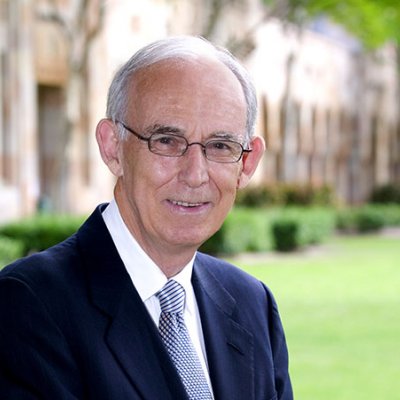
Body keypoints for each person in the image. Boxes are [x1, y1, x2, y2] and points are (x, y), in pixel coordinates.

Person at [0, 36, 293, 400]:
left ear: (247, 163)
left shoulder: (252, 305)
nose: (195, 174)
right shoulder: (26, 306)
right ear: (112, 148)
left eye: (220, 146)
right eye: (167, 141)